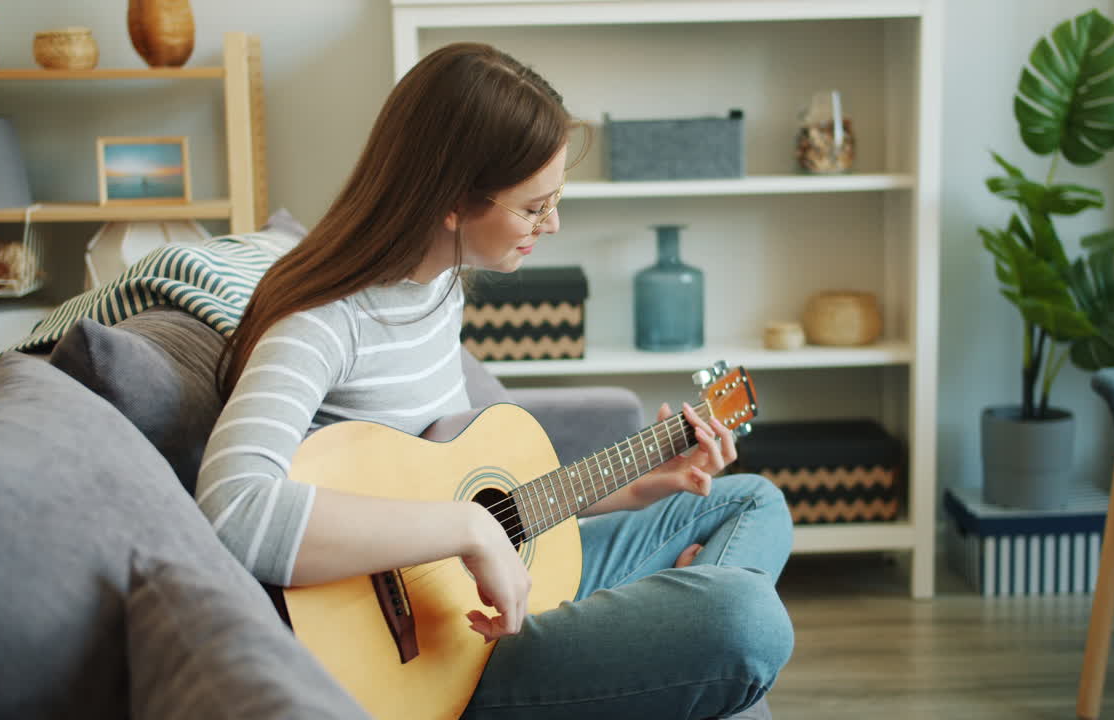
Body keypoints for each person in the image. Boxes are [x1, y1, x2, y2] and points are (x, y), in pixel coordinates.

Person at [199, 41, 794, 719]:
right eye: (534, 207)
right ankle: (683, 643)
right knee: (747, 621)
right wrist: (469, 531)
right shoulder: (323, 324)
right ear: (452, 199)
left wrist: (634, 489)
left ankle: (675, 640)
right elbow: (233, 510)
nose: (553, 223)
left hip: (495, 594)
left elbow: (485, 502)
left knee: (751, 501)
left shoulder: (437, 288)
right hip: (443, 656)